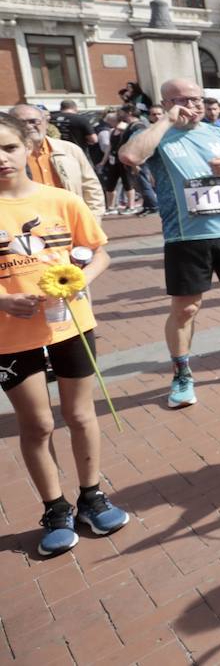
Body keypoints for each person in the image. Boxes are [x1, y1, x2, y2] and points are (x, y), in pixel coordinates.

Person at [0, 111, 129, 557]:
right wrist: (2, 301)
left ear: (29, 147)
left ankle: (91, 496)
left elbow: (100, 255)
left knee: (79, 415)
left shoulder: (61, 200)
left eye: (9, 147)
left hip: (70, 323)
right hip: (9, 334)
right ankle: (54, 508)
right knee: (35, 423)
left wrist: (82, 279)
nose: (1, 158)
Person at [118, 78, 220, 409]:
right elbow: (130, 157)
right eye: (184, 100)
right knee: (186, 308)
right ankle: (181, 375)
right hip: (185, 236)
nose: (193, 105)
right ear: (165, 103)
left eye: (197, 99)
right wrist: (165, 121)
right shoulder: (157, 135)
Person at [10, 105, 103, 216]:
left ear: (45, 123)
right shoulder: (6, 157)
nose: (29, 126)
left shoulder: (70, 150)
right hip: (28, 224)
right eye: (21, 123)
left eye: (33, 121)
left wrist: (94, 218)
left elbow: (91, 187)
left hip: (70, 219)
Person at [51, 100, 100, 166]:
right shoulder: (81, 119)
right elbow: (94, 139)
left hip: (56, 153)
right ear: (75, 108)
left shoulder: (51, 119)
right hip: (77, 154)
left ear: (61, 108)